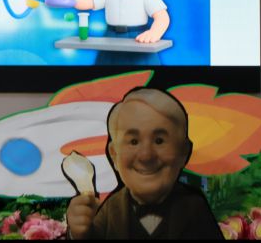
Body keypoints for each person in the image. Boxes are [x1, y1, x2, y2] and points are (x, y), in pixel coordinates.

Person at [65, 88, 222, 239]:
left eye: (159, 141)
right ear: (114, 155)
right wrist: (78, 234)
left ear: (183, 151)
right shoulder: (111, 209)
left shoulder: (194, 208)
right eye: (133, 142)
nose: (146, 156)